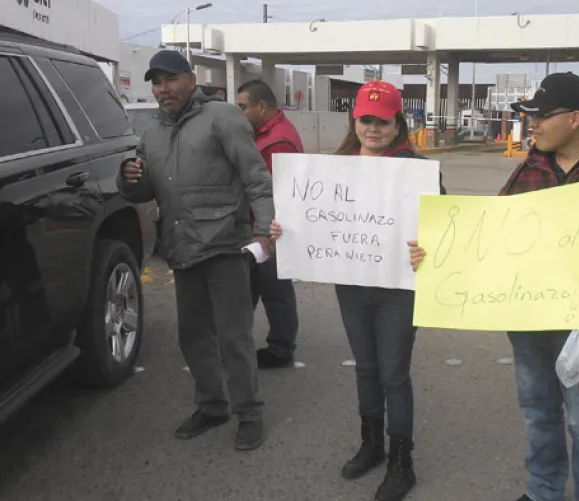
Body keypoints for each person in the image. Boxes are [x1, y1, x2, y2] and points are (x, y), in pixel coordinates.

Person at [409, 72, 579, 501]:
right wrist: (436, 255)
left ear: (574, 119)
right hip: (529, 319)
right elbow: (486, 238)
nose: (531, 125)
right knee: (538, 412)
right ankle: (543, 490)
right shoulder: (528, 170)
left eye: (540, 116)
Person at [270, 81, 445, 501]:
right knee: (365, 367)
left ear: (397, 123)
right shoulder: (334, 169)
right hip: (351, 282)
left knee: (394, 373)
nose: (373, 128)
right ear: (355, 120)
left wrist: (430, 247)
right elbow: (310, 216)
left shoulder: (418, 170)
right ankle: (372, 444)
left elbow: (444, 227)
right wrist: (285, 229)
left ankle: (403, 462)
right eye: (366, 119)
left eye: (382, 121)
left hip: (398, 288)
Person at [117, 49, 275, 451]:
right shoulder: (152, 132)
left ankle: (250, 413)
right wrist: (129, 179)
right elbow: (145, 190)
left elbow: (256, 179)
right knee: (192, 336)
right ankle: (213, 405)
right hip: (181, 246)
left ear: (191, 78)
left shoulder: (222, 117)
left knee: (233, 337)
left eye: (170, 79)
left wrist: (263, 233)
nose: (162, 89)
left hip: (226, 245)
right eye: (156, 82)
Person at [236, 78, 304, 368]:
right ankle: (241, 342)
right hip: (265, 227)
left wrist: (265, 232)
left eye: (242, 108)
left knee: (274, 289)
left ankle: (280, 348)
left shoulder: (278, 142)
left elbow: (270, 190)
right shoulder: (270, 133)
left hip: (271, 228)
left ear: (261, 107)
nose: (238, 114)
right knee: (259, 286)